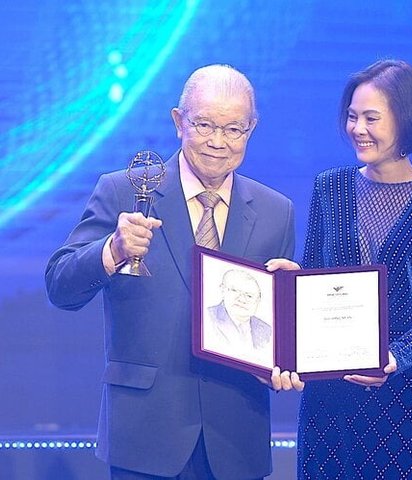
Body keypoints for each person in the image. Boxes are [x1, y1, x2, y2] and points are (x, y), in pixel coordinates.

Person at [46, 64, 303, 480]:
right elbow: (60, 284)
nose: (218, 141)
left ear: (251, 130)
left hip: (236, 438)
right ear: (178, 121)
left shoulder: (277, 212)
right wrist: (112, 250)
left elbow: (273, 336)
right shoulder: (123, 191)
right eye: (204, 125)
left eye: (233, 129)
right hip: (145, 435)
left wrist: (291, 333)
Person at [267, 59, 412, 479]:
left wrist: (395, 356)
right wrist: (293, 280)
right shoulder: (330, 186)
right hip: (331, 399)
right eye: (352, 116)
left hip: (409, 396)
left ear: (407, 120)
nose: (357, 128)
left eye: (371, 118)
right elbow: (320, 275)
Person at [204, 269, 272, 367]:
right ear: (222, 290)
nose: (242, 299)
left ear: (258, 300)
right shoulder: (207, 318)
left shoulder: (266, 330)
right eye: (235, 291)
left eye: (249, 296)